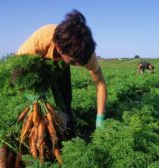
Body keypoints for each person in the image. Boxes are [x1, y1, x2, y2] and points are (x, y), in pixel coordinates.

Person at [16, 10, 107, 139]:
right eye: (74, 61)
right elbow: (17, 74)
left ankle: (67, 135)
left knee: (64, 103)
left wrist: (100, 117)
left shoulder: (85, 53)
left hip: (61, 65)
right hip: (35, 65)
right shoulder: (35, 45)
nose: (79, 64)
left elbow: (101, 84)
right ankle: (38, 135)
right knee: (36, 109)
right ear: (59, 48)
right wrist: (28, 93)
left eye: (81, 62)